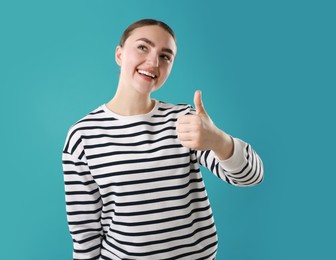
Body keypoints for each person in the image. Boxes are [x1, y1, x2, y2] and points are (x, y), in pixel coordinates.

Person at [62, 19, 264, 260]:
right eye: (143, 47)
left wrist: (218, 140)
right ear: (119, 54)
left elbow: (251, 177)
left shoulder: (184, 120)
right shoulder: (83, 135)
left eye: (165, 56)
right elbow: (84, 231)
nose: (153, 62)